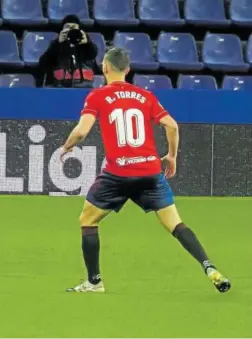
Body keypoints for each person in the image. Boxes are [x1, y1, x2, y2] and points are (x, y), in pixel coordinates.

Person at [60, 48, 231, 293]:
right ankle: (209, 266)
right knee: (176, 224)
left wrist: (66, 147)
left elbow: (80, 131)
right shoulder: (145, 96)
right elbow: (171, 125)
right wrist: (171, 156)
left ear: (105, 68)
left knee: (87, 220)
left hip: (118, 173)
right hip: (150, 171)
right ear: (128, 70)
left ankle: (94, 282)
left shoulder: (97, 96)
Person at [38, 15, 98, 88]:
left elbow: (92, 55)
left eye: (73, 28)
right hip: (59, 87)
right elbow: (43, 63)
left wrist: (87, 43)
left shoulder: (85, 46)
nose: (70, 31)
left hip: (83, 87)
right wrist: (57, 44)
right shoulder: (56, 46)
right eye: (67, 27)